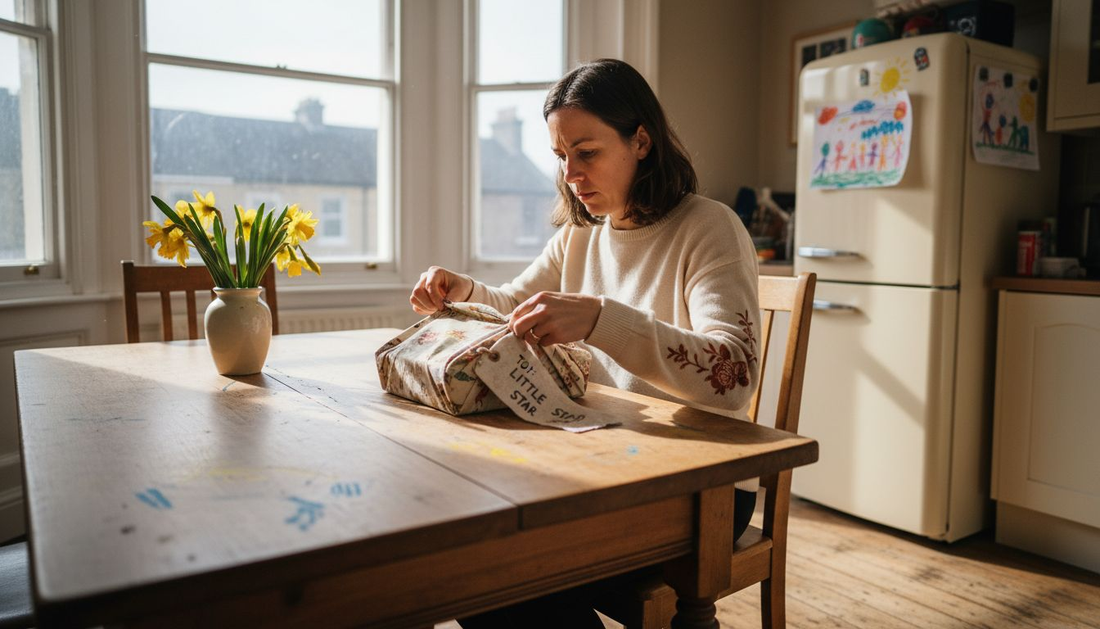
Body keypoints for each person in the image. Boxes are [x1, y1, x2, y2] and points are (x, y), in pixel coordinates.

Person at [409, 58, 760, 628]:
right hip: (608, 461)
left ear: (640, 141)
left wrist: (602, 319)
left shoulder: (709, 226)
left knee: (490, 566)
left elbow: (734, 377)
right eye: (561, 156)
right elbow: (514, 305)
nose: (571, 173)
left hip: (702, 486)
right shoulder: (580, 236)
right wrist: (463, 289)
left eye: (587, 152)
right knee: (467, 550)